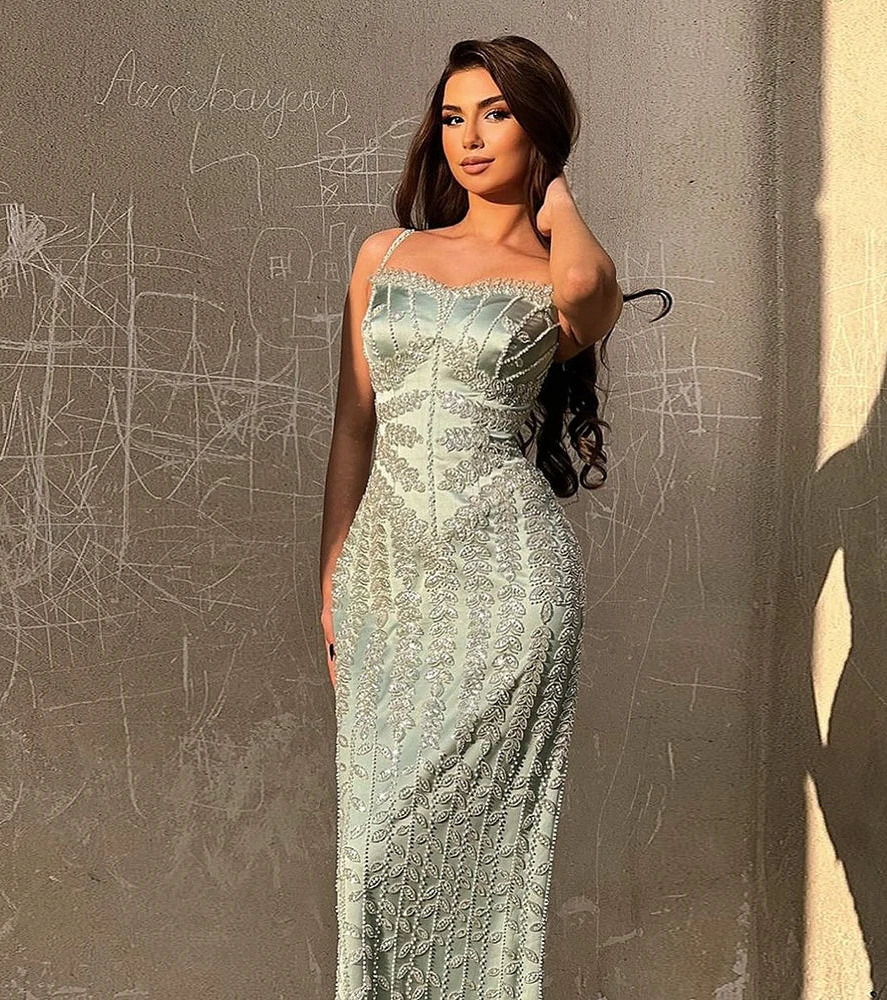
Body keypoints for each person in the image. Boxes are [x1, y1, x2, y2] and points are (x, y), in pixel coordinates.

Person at [319, 35, 671, 1000]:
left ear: (539, 129)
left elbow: (592, 297)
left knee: (485, 868)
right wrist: (332, 577)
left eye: (496, 113)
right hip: (387, 582)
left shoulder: (558, 278)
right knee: (377, 855)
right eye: (451, 117)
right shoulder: (383, 255)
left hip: (508, 593)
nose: (468, 137)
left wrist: (558, 206)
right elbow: (355, 431)